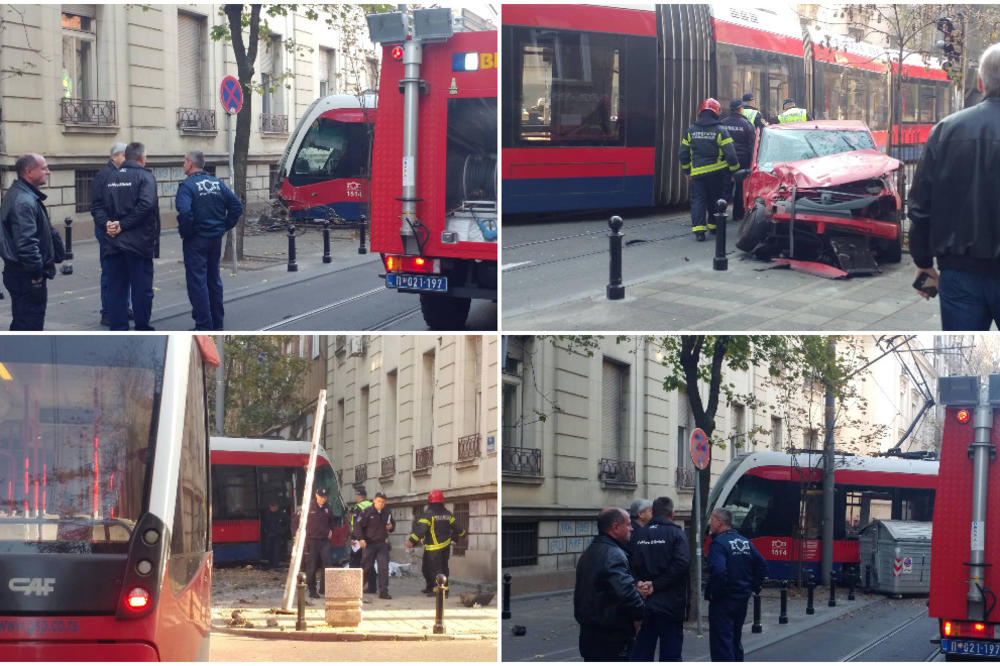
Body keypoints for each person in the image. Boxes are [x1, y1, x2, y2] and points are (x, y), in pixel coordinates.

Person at [909, 43, 1000, 330]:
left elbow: (921, 206)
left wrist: (923, 261)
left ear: (980, 82)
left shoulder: (946, 131)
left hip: (960, 274)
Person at [91, 141, 160, 331]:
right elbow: (146, 205)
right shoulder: (145, 177)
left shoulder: (108, 177)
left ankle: (118, 327)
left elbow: (96, 206)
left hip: (112, 243)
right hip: (138, 244)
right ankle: (142, 326)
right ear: (142, 158)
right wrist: (122, 225)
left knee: (116, 289)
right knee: (141, 289)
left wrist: (107, 224)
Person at [175, 150, 243, 330]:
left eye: (184, 161)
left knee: (197, 282)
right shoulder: (217, 183)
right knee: (213, 279)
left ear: (190, 163)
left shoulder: (187, 187)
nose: (183, 165)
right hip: (214, 239)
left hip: (196, 240)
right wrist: (224, 226)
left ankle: (204, 324)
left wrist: (187, 232)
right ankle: (217, 321)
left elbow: (185, 212)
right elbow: (236, 206)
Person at [574, 507, 648, 661]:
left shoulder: (591, 551)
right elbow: (627, 594)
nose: (631, 528)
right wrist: (641, 615)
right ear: (615, 527)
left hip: (591, 634)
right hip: (611, 637)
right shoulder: (613, 554)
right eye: (627, 524)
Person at [0, 153, 62, 330]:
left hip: (21, 274)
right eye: (44, 168)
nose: (48, 172)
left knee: (23, 322)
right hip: (26, 276)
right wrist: (36, 276)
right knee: (29, 325)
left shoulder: (23, 194)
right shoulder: (24, 201)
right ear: (29, 171)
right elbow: (26, 243)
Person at [630, 497, 690, 662]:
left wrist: (638, 583)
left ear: (653, 513)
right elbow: (682, 564)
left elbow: (628, 564)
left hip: (644, 603)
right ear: (672, 513)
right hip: (671, 604)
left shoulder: (638, 534)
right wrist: (656, 585)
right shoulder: (677, 533)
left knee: (642, 651)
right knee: (670, 653)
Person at [705, 508, 768, 662]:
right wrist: (753, 586)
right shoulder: (745, 541)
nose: (710, 523)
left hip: (723, 601)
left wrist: (715, 593)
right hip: (741, 598)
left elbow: (719, 572)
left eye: (712, 519)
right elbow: (762, 565)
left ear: (720, 522)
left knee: (722, 643)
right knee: (735, 640)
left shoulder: (718, 544)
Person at [679, 98, 740, 241]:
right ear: (716, 113)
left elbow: (683, 153)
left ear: (701, 112)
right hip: (716, 173)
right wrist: (734, 171)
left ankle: (699, 231)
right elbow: (731, 154)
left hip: (697, 174)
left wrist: (687, 171)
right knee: (715, 200)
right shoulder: (720, 130)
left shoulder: (691, 130)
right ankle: (714, 227)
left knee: (698, 200)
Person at [91, 142, 128, 327]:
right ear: (117, 156)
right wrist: (108, 225)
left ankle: (123, 307)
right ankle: (108, 311)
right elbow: (97, 207)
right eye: (126, 156)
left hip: (120, 229)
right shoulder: (104, 176)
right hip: (107, 230)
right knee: (111, 272)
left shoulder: (123, 174)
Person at [407, 489, 467, 595]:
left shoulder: (428, 514)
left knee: (435, 569)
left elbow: (421, 529)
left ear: (430, 501)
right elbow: (457, 527)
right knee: (439, 568)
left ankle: (439, 591)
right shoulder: (447, 513)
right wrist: (463, 535)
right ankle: (431, 587)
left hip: (433, 548)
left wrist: (411, 540)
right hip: (445, 546)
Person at [294, 486, 334, 598]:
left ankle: (324, 588)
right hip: (312, 540)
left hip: (325, 540)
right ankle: (312, 590)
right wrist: (296, 535)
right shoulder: (308, 507)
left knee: (327, 564)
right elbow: (295, 521)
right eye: (321, 497)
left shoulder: (328, 508)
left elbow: (331, 522)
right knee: (312, 566)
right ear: (316, 495)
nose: (323, 499)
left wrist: (331, 530)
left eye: (325, 497)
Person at [719, 99, 756, 221]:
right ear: (741, 109)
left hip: (725, 160)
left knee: (725, 186)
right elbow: (752, 145)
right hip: (742, 161)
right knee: (740, 187)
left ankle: (720, 212)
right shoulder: (747, 124)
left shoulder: (723, 123)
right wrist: (752, 162)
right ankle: (737, 214)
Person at [353, 491, 395, 599]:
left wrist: (391, 527)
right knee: (366, 567)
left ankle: (383, 591)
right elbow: (358, 526)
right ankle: (356, 589)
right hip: (369, 543)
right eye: (379, 501)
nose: (381, 503)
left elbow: (392, 524)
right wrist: (360, 539)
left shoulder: (387, 512)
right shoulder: (366, 512)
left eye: (383, 502)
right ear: (374, 501)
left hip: (382, 544)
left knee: (383, 568)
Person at [349, 487, 375, 593]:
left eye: (357, 495)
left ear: (360, 497)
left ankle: (354, 585)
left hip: (359, 540)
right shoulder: (372, 505)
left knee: (355, 562)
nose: (356, 497)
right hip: (371, 539)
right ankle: (372, 587)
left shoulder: (358, 507)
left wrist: (354, 538)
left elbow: (356, 525)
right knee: (370, 563)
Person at [260, 497, 290, 570]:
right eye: (272, 507)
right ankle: (270, 564)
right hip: (270, 534)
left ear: (277, 506)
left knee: (276, 550)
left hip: (278, 535)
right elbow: (264, 524)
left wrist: (282, 531)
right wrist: (266, 531)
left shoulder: (282, 514)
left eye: (274, 507)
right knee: (269, 549)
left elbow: (287, 524)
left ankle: (275, 565)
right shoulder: (267, 514)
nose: (273, 508)